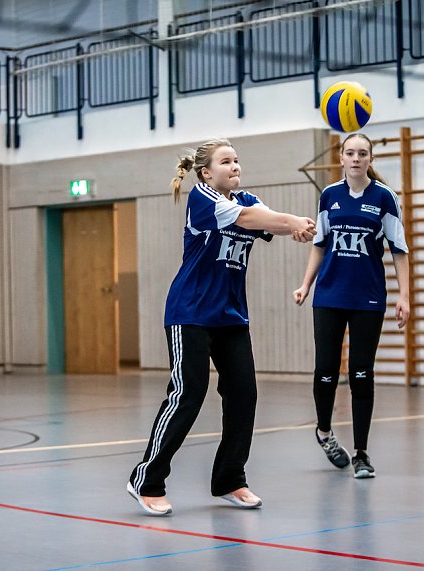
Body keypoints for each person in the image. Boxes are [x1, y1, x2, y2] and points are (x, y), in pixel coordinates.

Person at [128, 138, 316, 515]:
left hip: (231, 316)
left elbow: (266, 218)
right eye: (225, 162)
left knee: (244, 394)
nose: (235, 167)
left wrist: (292, 227)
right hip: (191, 313)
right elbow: (251, 222)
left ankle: (230, 479)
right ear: (206, 172)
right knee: (188, 394)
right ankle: (146, 479)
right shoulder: (202, 199)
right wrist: (290, 222)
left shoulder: (246, 199)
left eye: (237, 160)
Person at [292, 133, 410, 479]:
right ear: (341, 158)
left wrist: (405, 296)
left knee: (361, 374)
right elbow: (319, 244)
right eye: (350, 153)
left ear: (370, 159)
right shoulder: (330, 195)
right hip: (329, 295)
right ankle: (325, 432)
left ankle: (361, 453)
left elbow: (399, 250)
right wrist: (305, 284)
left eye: (362, 153)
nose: (356, 158)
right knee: (326, 371)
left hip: (368, 298)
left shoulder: (384, 198)